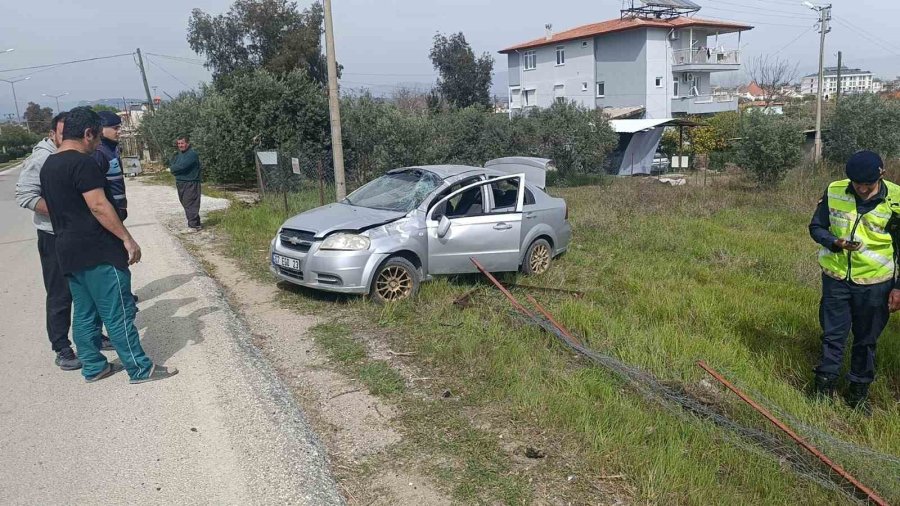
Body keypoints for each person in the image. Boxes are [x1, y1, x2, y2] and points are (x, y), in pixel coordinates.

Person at [39, 106, 177, 383]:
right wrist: (127, 238)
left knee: (85, 313)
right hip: (98, 251)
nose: (100, 143)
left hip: (68, 250)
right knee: (119, 311)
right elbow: (99, 206)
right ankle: (140, 368)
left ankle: (93, 366)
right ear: (88, 133)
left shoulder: (49, 164)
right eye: (98, 138)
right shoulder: (82, 163)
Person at [15, 113, 113, 370]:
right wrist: (64, 210)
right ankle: (61, 346)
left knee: (89, 287)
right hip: (53, 234)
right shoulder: (42, 159)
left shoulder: (76, 154)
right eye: (62, 133)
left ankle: (92, 335)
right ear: (52, 134)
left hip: (78, 233)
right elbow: (25, 195)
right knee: (60, 293)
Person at [808, 150, 900, 413]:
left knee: (865, 340)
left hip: (876, 284)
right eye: (856, 184)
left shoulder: (896, 198)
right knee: (832, 336)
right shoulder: (835, 190)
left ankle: (857, 394)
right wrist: (834, 242)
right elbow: (816, 227)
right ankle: (823, 389)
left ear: (880, 175)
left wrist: (899, 287)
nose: (860, 189)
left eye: (867, 184)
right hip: (836, 279)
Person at [91, 111, 128, 221]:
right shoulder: (99, 153)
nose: (119, 132)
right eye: (115, 128)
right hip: (110, 212)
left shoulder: (111, 150)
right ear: (101, 129)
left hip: (118, 209)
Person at [169, 135, 202, 231]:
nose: (180, 145)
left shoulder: (192, 154)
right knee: (185, 203)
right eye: (179, 143)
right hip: (180, 183)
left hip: (190, 182)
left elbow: (181, 167)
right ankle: (197, 223)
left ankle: (193, 226)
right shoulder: (178, 155)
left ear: (187, 143)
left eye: (182, 143)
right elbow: (173, 165)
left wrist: (173, 169)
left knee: (190, 203)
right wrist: (173, 168)